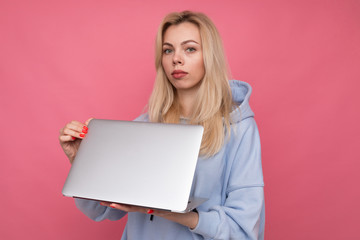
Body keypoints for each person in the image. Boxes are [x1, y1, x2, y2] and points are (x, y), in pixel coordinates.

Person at [59, 10, 265, 240]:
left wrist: (176, 213)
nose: (176, 58)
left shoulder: (239, 128)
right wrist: (81, 162)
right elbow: (103, 210)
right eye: (168, 50)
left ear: (210, 56)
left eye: (190, 49)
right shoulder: (144, 126)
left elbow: (243, 231)